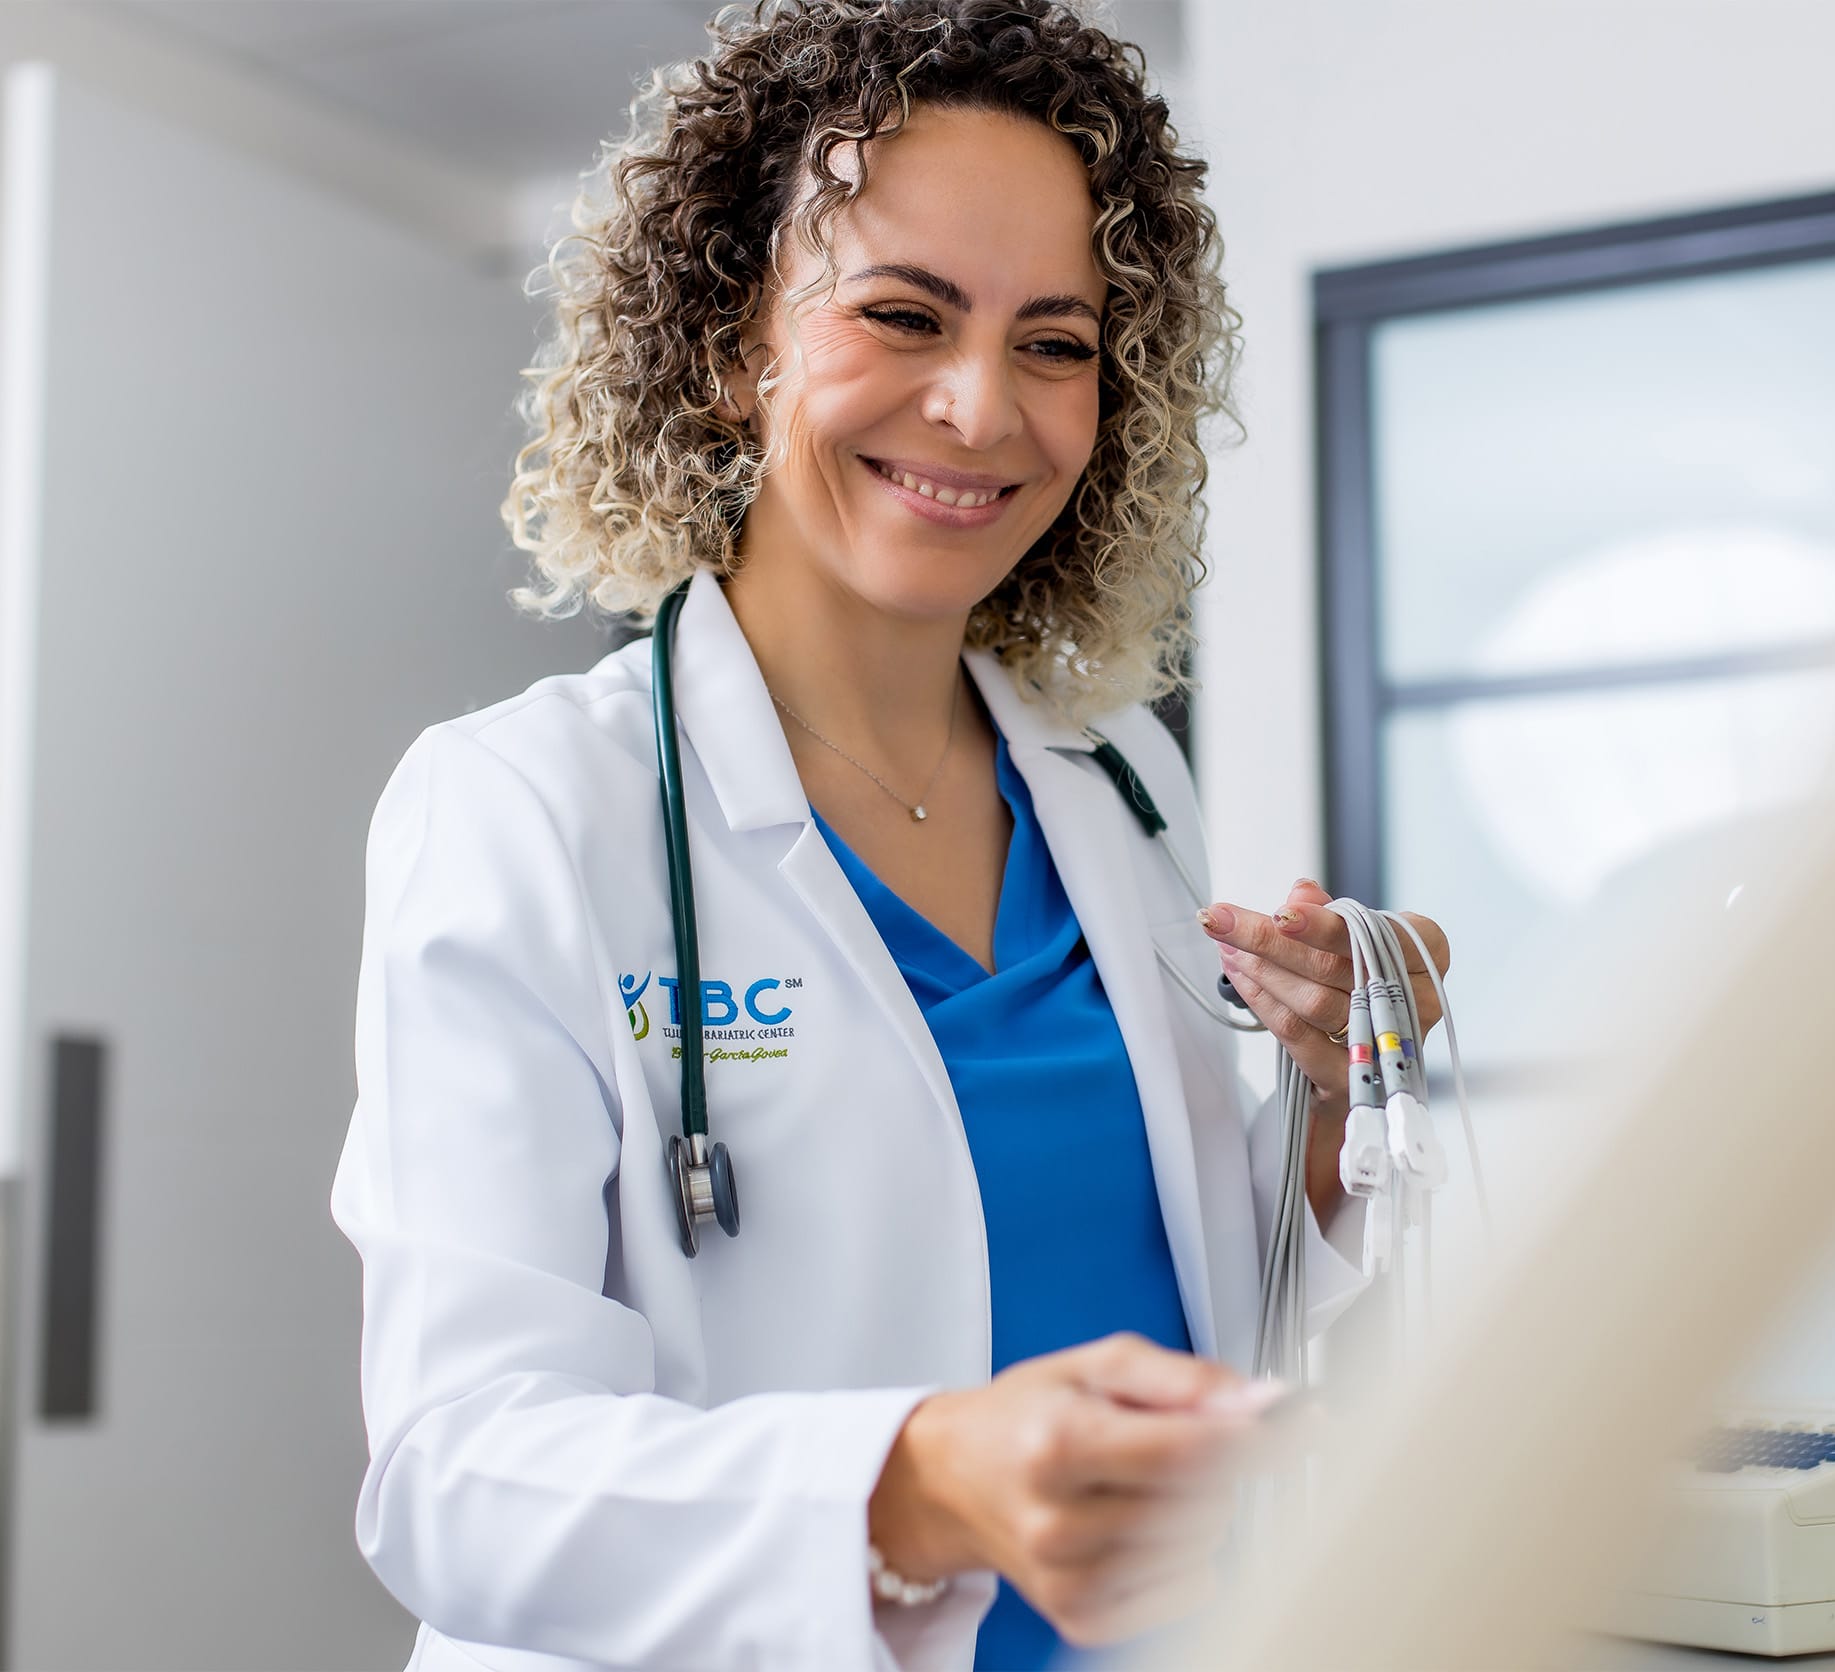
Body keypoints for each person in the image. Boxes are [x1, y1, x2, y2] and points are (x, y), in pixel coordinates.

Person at [330, 3, 1452, 1669]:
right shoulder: (528, 806)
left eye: (1056, 343)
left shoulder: (1121, 779)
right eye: (903, 315)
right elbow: (459, 1479)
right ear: (735, 343)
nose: (981, 408)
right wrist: (911, 1483)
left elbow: (1187, 1326)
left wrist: (1334, 1105)